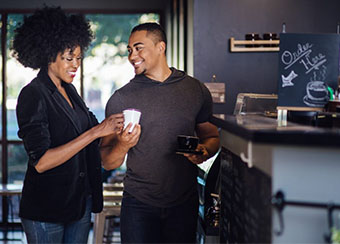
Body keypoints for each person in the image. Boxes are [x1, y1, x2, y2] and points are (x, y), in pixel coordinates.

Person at [12, 6, 124, 243]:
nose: (76, 65)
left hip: (79, 204)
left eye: (79, 58)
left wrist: (121, 131)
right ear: (48, 54)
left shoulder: (70, 91)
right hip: (46, 209)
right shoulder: (33, 94)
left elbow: (98, 135)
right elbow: (41, 162)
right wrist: (95, 132)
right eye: (69, 58)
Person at [100, 22, 220, 243]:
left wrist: (203, 151)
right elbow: (107, 161)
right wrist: (124, 145)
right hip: (138, 204)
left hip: (184, 203)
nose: (132, 56)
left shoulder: (195, 90)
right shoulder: (121, 98)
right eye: (129, 50)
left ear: (160, 47)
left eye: (138, 48)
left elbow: (212, 138)